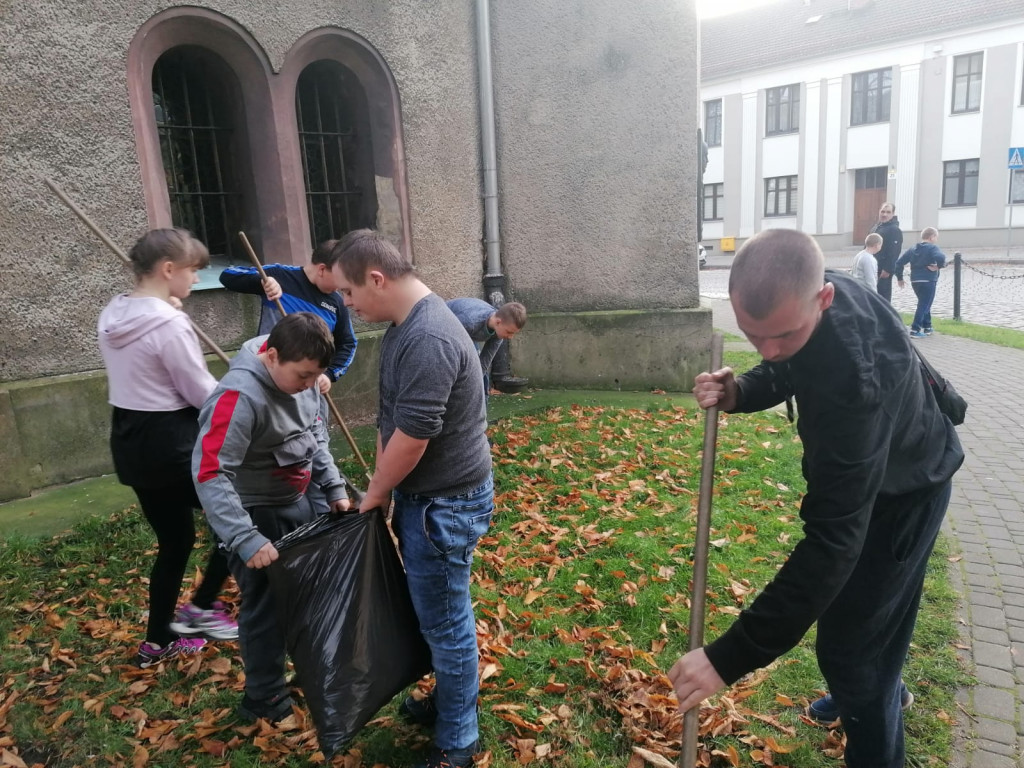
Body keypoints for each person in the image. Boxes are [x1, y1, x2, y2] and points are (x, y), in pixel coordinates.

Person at [669, 229, 963, 768]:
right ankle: (879, 693)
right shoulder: (814, 303)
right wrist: (745, 390)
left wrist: (725, 659)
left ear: (823, 298)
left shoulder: (854, 387)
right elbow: (790, 362)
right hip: (880, 467)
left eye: (783, 334)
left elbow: (831, 544)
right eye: (755, 338)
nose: (770, 350)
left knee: (855, 653)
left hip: (908, 492)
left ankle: (874, 700)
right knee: (857, 638)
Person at [330, 230, 493, 768]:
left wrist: (376, 494)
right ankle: (452, 700)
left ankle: (458, 743)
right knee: (440, 616)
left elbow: (415, 435)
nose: (347, 306)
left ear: (377, 279)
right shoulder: (404, 327)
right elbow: (391, 419)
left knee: (446, 624)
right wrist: (388, 487)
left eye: (349, 294)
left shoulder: (429, 338)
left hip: (446, 507)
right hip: (425, 501)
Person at [192, 313, 352, 723]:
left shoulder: (306, 376)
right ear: (272, 356)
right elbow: (210, 470)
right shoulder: (238, 397)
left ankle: (305, 670)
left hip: (297, 500)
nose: (309, 384)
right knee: (265, 606)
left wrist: (332, 487)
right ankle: (263, 700)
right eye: (302, 375)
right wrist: (245, 538)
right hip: (254, 513)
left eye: (315, 376)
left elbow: (315, 435)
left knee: (304, 595)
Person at [97, 228, 237, 669]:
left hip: (131, 442)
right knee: (240, 522)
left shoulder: (115, 313)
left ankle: (157, 640)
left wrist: (167, 306)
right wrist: (245, 401)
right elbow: (200, 392)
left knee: (174, 542)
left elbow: (147, 337)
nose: (197, 279)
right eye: (194, 271)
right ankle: (200, 611)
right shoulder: (170, 325)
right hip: (173, 444)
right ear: (168, 269)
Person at [219, 240, 357, 394]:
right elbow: (227, 276)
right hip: (265, 378)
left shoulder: (337, 302)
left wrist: (329, 374)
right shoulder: (279, 275)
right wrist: (263, 281)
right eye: (339, 278)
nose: (340, 286)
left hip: (306, 386)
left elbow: (348, 343)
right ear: (322, 269)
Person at [445, 298, 527, 391]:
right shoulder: (470, 322)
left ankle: (482, 405)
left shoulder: (499, 331)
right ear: (498, 322)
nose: (510, 337)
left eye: (513, 333)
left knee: (482, 378)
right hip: (444, 328)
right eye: (509, 332)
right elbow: (448, 346)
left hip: (468, 334)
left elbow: (484, 363)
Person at [896, 227, 946, 338]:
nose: (936, 239)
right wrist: (939, 266)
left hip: (915, 280)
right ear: (932, 237)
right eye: (936, 237)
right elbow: (941, 257)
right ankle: (915, 329)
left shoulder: (913, 248)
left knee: (924, 302)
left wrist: (900, 278)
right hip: (928, 279)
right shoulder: (933, 248)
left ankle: (927, 326)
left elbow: (899, 263)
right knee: (924, 304)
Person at [871, 202, 903, 302]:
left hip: (883, 269)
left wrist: (887, 269)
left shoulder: (894, 230)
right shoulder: (876, 227)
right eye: (883, 211)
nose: (884, 214)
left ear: (892, 214)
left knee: (883, 298)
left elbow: (894, 251)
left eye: (888, 212)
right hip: (872, 266)